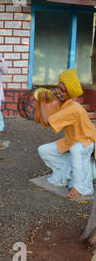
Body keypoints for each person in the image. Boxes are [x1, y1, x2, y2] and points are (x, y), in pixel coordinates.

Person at [35, 68, 96, 199]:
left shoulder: (73, 108)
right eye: (58, 88)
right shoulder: (61, 104)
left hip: (86, 141)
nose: (57, 92)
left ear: (71, 93)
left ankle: (80, 187)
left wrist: (41, 102)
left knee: (76, 149)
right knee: (44, 150)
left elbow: (47, 120)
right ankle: (68, 175)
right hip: (71, 140)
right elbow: (40, 120)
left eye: (62, 90)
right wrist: (40, 102)